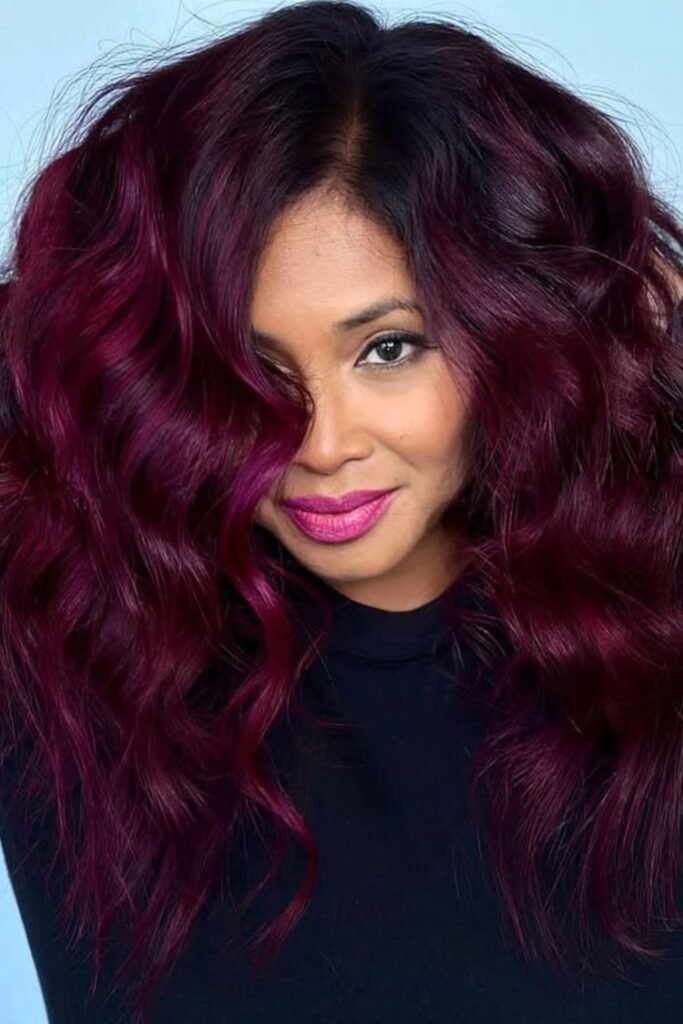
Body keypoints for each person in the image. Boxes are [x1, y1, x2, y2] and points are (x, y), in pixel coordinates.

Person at [0, 2, 682, 1021]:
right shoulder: (64, 635)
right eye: (249, 370)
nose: (319, 445)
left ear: (522, 331)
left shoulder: (655, 633)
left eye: (387, 348)